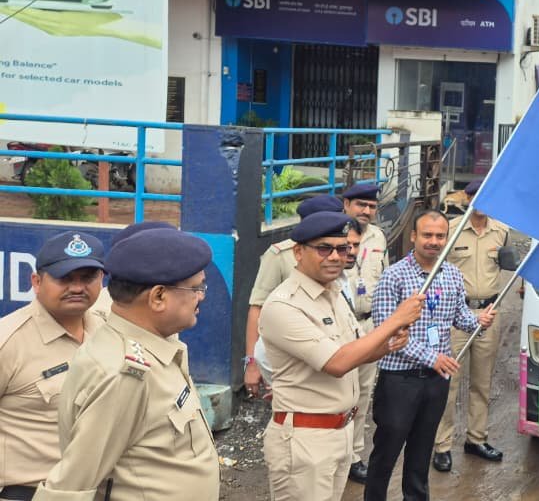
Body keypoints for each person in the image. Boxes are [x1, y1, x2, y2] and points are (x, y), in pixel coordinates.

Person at [34, 228, 220, 500]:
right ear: (157, 297)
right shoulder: (125, 374)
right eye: (195, 288)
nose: (201, 296)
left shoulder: (155, 349)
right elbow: (71, 485)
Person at [257, 212, 422, 501]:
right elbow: (337, 362)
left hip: (339, 432)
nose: (335, 256)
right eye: (324, 248)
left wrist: (386, 346)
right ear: (298, 252)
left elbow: (355, 351)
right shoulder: (284, 305)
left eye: (342, 248)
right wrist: (394, 321)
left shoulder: (334, 293)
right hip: (306, 441)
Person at [365, 211, 495, 501]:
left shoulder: (451, 274)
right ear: (413, 236)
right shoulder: (394, 276)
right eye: (427, 235)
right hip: (400, 381)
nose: (434, 242)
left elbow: (460, 316)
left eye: (440, 236)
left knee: (421, 453)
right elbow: (386, 334)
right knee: (387, 451)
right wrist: (431, 357)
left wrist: (478, 321)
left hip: (436, 382)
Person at [0, 233, 106, 501]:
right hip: (27, 493)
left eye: (87, 277)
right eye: (65, 278)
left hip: (95, 490)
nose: (77, 287)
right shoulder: (8, 342)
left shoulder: (107, 334)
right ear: (36, 282)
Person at [433, 179, 510, 471]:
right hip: (454, 313)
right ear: (467, 197)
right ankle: (441, 445)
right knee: (448, 381)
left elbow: (507, 264)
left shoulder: (501, 232)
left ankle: (476, 438)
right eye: (476, 195)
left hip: (489, 313)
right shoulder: (450, 231)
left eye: (488, 194)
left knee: (482, 381)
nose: (482, 200)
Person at [244, 194, 345, 400]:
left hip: (331, 350)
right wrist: (251, 363)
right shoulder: (280, 255)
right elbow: (257, 307)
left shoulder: (340, 254)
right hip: (293, 356)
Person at [341, 183, 390, 483]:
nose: (367, 211)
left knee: (361, 395)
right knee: (338, 394)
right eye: (361, 204)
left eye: (372, 207)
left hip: (369, 324)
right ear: (345, 204)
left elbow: (381, 279)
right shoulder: (334, 233)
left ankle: (353, 456)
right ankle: (336, 452)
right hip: (338, 326)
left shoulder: (378, 236)